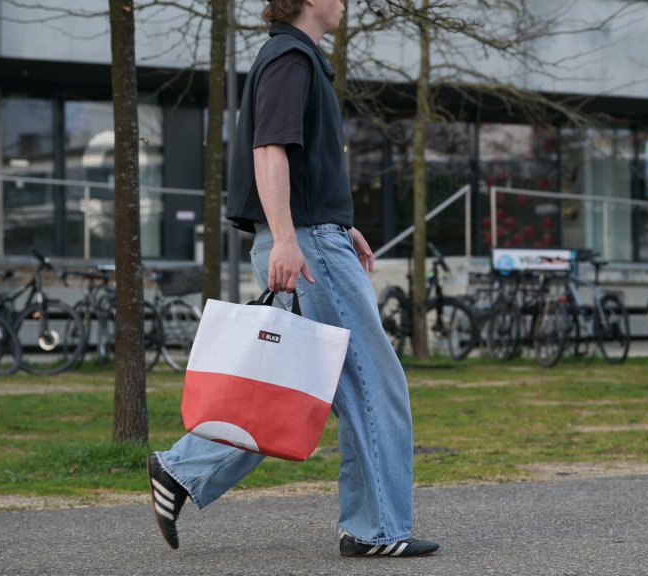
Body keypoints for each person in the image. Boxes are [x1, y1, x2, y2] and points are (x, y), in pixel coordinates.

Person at [147, 0, 439, 558]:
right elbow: (269, 150)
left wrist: (337, 224)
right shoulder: (290, 59)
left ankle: (180, 469)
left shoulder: (295, 58)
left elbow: (300, 165)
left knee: (293, 385)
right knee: (375, 387)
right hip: (307, 245)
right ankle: (375, 531)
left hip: (314, 237)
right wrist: (290, 237)